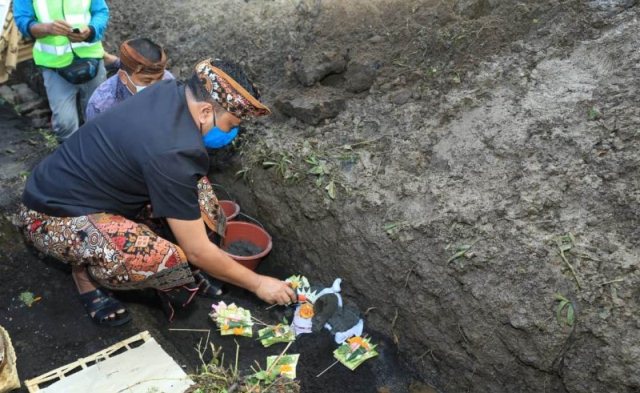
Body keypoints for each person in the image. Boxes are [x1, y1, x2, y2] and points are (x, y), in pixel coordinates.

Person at [14, 58, 296, 326]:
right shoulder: (173, 154)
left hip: (92, 187)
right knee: (159, 258)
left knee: (205, 204)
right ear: (206, 112)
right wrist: (258, 283)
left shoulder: (170, 91)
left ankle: (194, 269)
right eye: (231, 125)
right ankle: (86, 277)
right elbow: (197, 250)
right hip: (51, 215)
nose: (232, 133)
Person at [13, 0, 109, 141]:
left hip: (91, 59)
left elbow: (100, 11)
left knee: (100, 116)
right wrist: (46, 29)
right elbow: (23, 20)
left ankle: (99, 155)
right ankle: (71, 157)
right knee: (65, 123)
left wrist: (91, 30)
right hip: (54, 65)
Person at [86, 38, 174, 120]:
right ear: (123, 77)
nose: (155, 86)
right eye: (147, 81)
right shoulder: (102, 105)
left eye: (159, 78)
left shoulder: (167, 80)